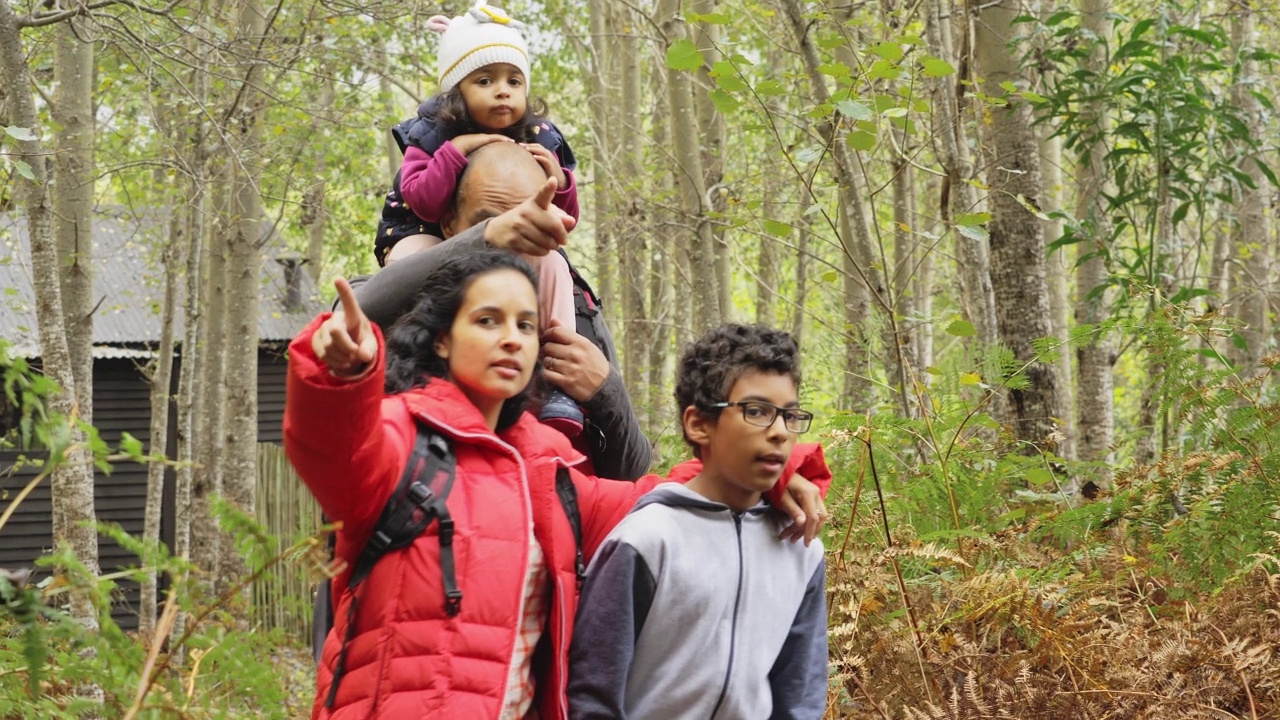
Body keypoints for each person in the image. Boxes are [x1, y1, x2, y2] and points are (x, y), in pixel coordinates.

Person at [284, 249, 832, 719]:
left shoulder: (552, 471)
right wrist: (344, 376)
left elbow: (683, 494)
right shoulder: (400, 437)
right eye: (488, 321)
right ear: (443, 340)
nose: (511, 340)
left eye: (525, 325)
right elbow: (331, 448)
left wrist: (780, 466)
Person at [566, 325, 829, 719]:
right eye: (756, 411)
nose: (779, 432)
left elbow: (800, 695)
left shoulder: (801, 549)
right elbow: (595, 694)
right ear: (698, 424)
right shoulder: (647, 540)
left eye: (790, 416)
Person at [356, 141, 648, 481]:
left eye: (528, 222)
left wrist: (607, 392)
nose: (514, 240)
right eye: (496, 222)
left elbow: (631, 473)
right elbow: (357, 311)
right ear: (450, 223)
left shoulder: (575, 312)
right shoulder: (400, 292)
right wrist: (488, 237)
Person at [386, 0, 586, 435]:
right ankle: (417, 355)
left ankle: (557, 383)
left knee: (555, 263)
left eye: (514, 81)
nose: (503, 91)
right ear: (456, 90)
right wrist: (455, 152)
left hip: (519, 249)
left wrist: (558, 180)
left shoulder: (540, 137)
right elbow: (421, 200)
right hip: (424, 231)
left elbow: (563, 222)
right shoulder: (432, 132)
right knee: (406, 261)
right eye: (485, 80)